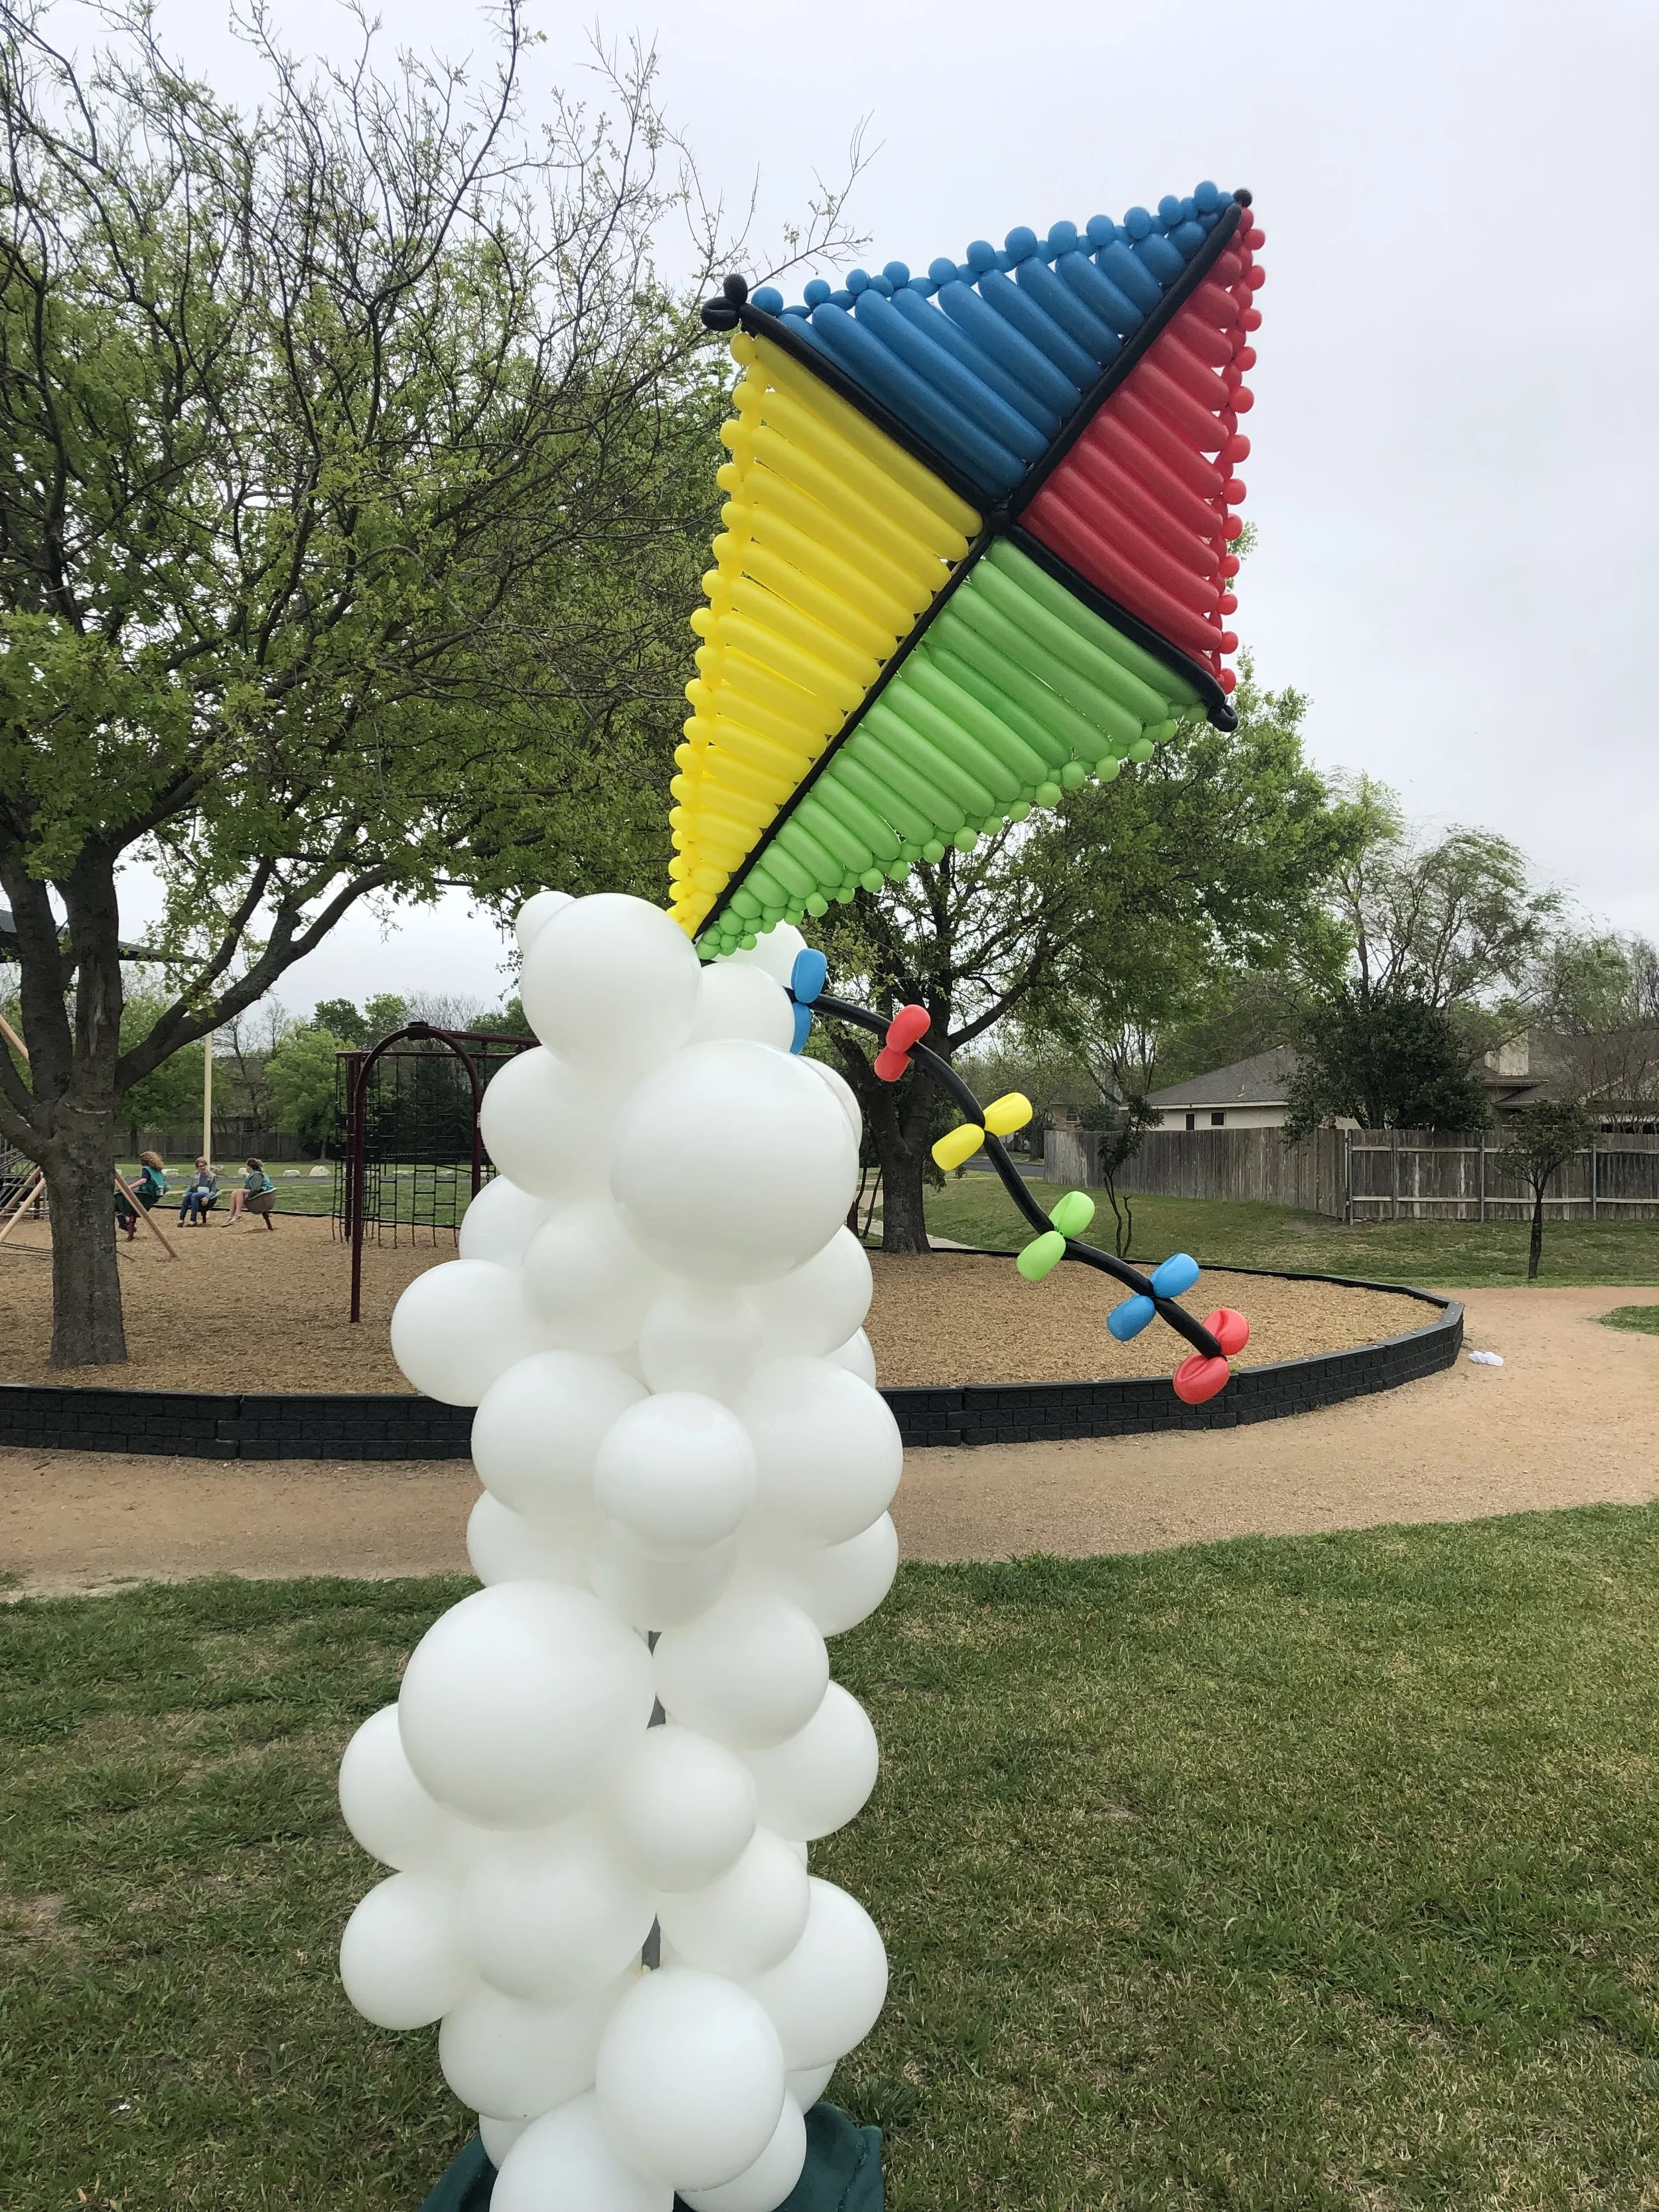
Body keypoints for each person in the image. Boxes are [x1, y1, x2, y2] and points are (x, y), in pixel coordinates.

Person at [231, 1157, 277, 1230]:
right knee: (235, 1193)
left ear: (249, 1168)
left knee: (240, 1191)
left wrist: (248, 1195)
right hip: (260, 1194)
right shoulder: (251, 1176)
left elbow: (256, 1188)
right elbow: (247, 1188)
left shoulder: (257, 1175)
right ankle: (231, 1215)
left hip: (263, 1195)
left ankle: (238, 1214)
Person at [179, 1157, 219, 1226]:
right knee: (188, 1196)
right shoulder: (196, 1175)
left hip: (206, 1193)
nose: (203, 1168)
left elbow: (213, 1191)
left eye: (204, 1165)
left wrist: (207, 1197)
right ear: (198, 1168)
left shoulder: (212, 1176)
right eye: (200, 1166)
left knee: (194, 1196)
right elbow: (191, 1186)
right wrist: (186, 1192)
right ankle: (181, 1219)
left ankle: (193, 1220)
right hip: (197, 1192)